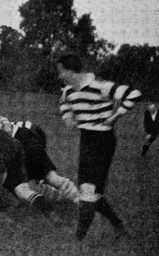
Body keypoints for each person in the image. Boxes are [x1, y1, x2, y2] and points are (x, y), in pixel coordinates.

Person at [56, 53, 142, 241]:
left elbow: (133, 95)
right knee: (89, 191)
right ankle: (118, 225)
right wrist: (67, 118)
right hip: (86, 140)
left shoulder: (100, 86)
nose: (59, 76)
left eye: (61, 71)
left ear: (70, 71)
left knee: (89, 192)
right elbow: (63, 103)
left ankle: (78, 240)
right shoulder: (68, 91)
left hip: (103, 141)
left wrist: (114, 116)